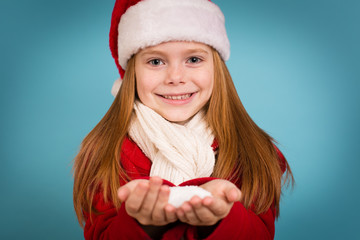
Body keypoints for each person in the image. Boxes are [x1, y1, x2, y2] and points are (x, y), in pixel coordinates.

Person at [73, 0, 294, 239]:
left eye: (194, 60)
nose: (176, 77)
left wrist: (223, 216)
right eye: (156, 61)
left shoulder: (254, 150)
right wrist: (142, 223)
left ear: (216, 68)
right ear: (132, 72)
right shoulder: (105, 151)